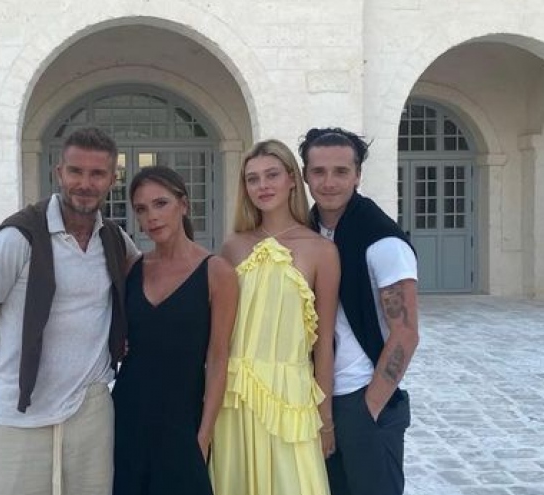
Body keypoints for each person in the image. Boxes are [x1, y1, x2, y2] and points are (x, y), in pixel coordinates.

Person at [0, 127, 139, 495]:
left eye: (97, 173)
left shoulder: (114, 240)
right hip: (21, 412)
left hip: (90, 411)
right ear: (59, 173)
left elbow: (149, 284)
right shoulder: (16, 238)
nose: (85, 183)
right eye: (76, 171)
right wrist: (23, 361)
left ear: (112, 179)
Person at [210, 139, 339, 495]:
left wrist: (325, 419)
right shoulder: (232, 246)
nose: (262, 186)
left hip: (291, 398)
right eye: (252, 179)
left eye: (272, 175)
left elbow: (324, 343)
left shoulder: (322, 251)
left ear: (292, 179)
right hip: (234, 396)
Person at [300, 127, 420, 495]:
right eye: (319, 171)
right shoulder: (306, 232)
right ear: (305, 175)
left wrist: (371, 407)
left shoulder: (382, 240)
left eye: (341, 171)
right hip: (314, 395)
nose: (329, 182)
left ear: (358, 175)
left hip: (362, 396)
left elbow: (406, 333)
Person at [112, 165, 239, 495]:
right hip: (127, 414)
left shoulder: (217, 272)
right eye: (141, 209)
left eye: (161, 203)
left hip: (183, 421)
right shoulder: (132, 267)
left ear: (183, 205)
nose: (151, 217)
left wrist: (204, 435)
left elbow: (218, 358)